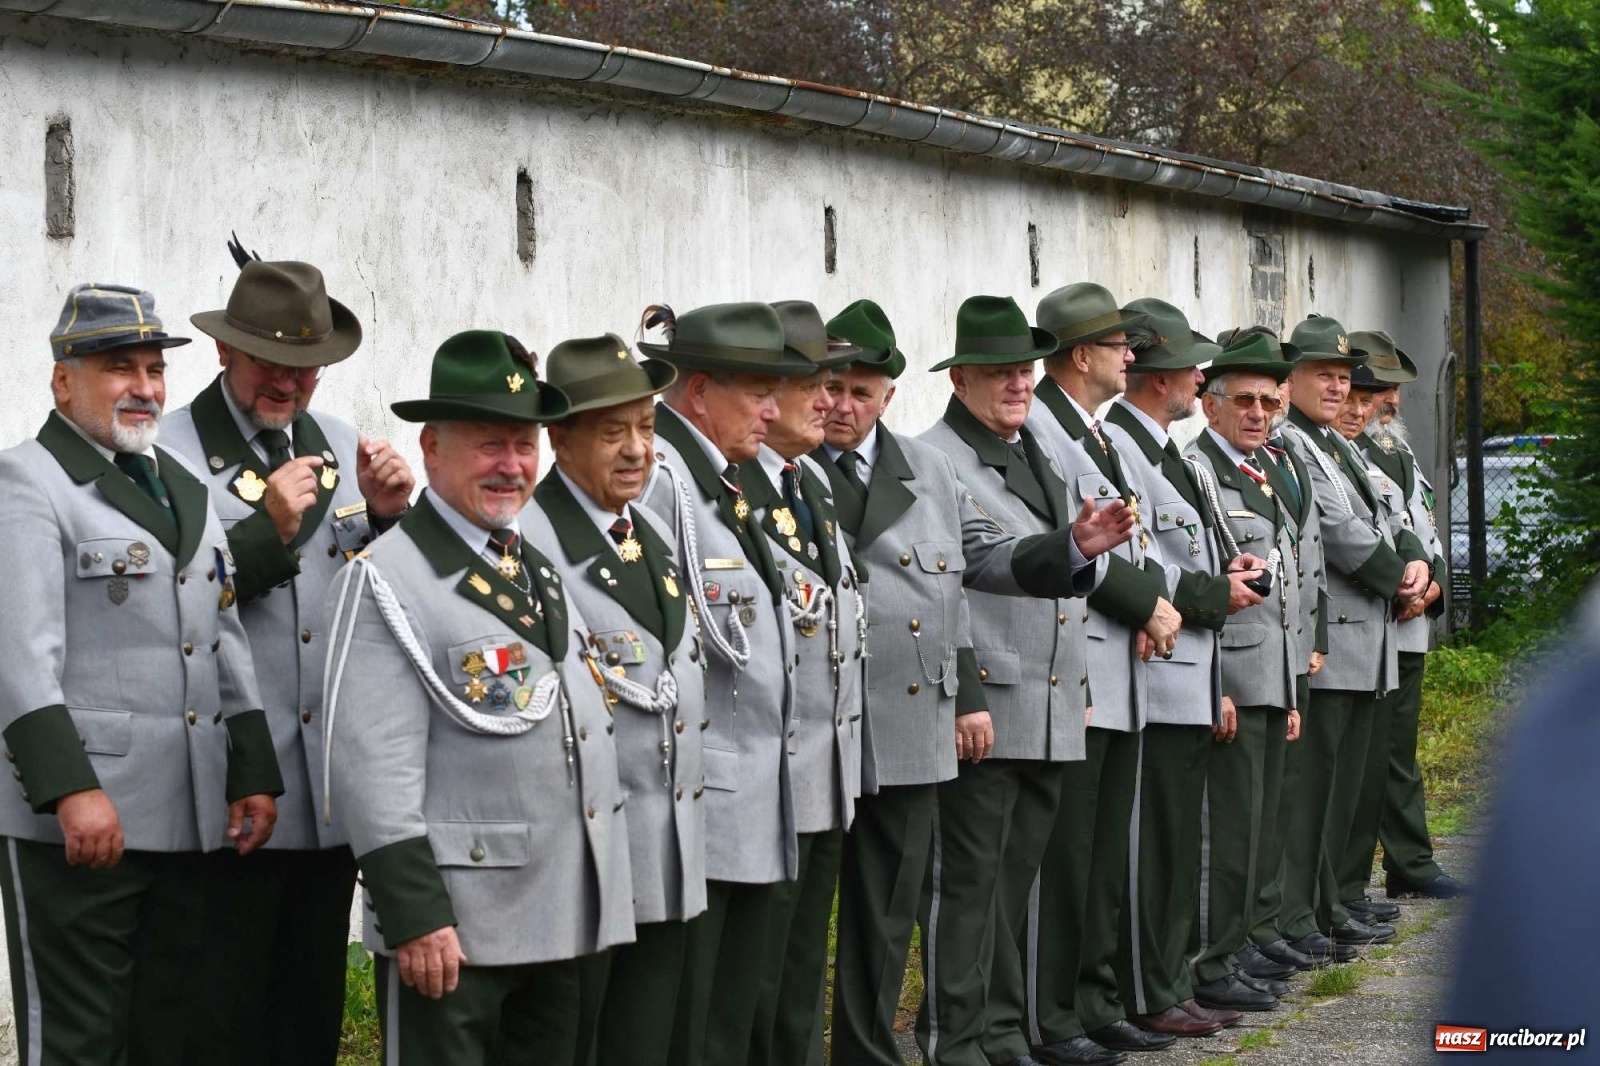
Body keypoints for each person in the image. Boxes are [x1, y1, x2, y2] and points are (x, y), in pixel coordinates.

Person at [815, 298, 1133, 1066]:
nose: (844, 404)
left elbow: (977, 564)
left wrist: (1073, 547)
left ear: (890, 393)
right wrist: (974, 692)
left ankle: (925, 1045)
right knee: (819, 919)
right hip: (817, 721)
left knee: (897, 907)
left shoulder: (922, 469)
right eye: (835, 387)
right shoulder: (790, 471)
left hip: (903, 717)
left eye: (865, 390)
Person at [324, 330, 634, 1064]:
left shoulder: (536, 571)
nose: (512, 465)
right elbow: (370, 767)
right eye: (490, 444)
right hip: (456, 931)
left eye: (524, 445)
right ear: (432, 448)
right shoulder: (387, 581)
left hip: (561, 914)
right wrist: (414, 914)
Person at [0, 283, 282, 1065]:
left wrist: (249, 770)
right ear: (64, 381)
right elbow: (19, 655)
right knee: (80, 1042)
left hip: (185, 816)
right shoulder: (27, 482)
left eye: (154, 371)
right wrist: (70, 789)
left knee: (171, 1035)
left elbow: (222, 632)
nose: (144, 388)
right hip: (78, 827)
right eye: (119, 368)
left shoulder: (182, 485)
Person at [162, 255, 415, 1066]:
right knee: (217, 1018)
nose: (289, 382)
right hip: (227, 790)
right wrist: (259, 537)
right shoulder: (166, 458)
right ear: (224, 353)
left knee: (306, 1016)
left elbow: (383, 607)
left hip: (321, 793)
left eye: (306, 366)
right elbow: (170, 615)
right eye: (270, 360)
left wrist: (386, 522)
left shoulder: (343, 447)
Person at [915, 295, 1118, 1066]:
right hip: (992, 700)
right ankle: (953, 1039)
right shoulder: (936, 456)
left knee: (1015, 883)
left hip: (1053, 696)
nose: (1018, 384)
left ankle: (1001, 1031)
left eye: (1025, 371)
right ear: (959, 377)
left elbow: (1078, 547)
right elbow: (974, 568)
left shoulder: (1042, 445)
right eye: (999, 372)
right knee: (968, 887)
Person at [635, 302, 813, 1066]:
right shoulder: (662, 481)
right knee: (697, 1020)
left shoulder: (722, 480)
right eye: (758, 392)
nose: (775, 412)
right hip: (705, 797)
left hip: (750, 793)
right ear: (699, 392)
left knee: (735, 1011)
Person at [1024, 283, 1197, 1066]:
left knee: (1100, 857)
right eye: (1117, 346)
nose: (1132, 357)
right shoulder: (1042, 429)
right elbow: (1060, 546)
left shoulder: (1097, 434)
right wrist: (1151, 603)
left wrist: (1158, 596)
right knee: (1066, 857)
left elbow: (1141, 536)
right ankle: (1052, 1013)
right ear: (1081, 355)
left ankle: (1093, 1000)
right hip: (1078, 662)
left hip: (1119, 665)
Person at [524, 333, 705, 1066]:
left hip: (663, 839)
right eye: (612, 432)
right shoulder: (533, 540)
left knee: (647, 1032)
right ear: (560, 439)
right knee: (585, 1036)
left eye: (647, 427)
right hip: (589, 849)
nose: (637, 449)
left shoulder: (652, 531)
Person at [1101, 299, 1275, 1020]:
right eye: (1189, 364)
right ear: (1152, 371)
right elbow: (1137, 562)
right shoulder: (1118, 446)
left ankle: (1170, 982)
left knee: (1176, 847)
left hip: (1191, 672)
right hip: (1156, 672)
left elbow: (1183, 547)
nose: (1201, 375)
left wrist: (1225, 568)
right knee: (1154, 847)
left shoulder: (1166, 451)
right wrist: (1214, 592)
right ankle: (1151, 989)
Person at [1275, 315, 1429, 959]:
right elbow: (1340, 530)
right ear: (1294, 378)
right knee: (1316, 792)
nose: (1338, 389)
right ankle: (1307, 912)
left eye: (1344, 377)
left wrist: (1418, 564)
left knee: (1347, 788)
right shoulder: (1294, 440)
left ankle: (1334, 900)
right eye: (1324, 375)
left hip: (1368, 637)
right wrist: (1402, 580)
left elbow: (1387, 511)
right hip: (1333, 639)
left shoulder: (1335, 443)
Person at [746, 301, 867, 1066]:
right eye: (813, 384)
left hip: (825, 766)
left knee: (798, 966)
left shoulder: (810, 483)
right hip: (768, 770)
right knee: (757, 973)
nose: (829, 400)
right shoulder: (729, 494)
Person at [1182, 334, 1305, 1014]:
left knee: (1256, 827)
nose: (1259, 413)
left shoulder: (1266, 470)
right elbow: (1211, 582)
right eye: (1245, 401)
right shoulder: (1202, 470)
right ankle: (1212, 959)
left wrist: (1288, 687)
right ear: (1212, 406)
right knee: (1222, 833)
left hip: (1271, 675)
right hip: (1232, 673)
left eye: (1268, 402)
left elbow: (1283, 582)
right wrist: (1218, 684)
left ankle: (1238, 947)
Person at [1346, 330, 1464, 902]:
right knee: (1379, 760)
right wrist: (1404, 584)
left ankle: (1408, 861)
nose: (1389, 401)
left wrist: (1434, 581)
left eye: (1391, 390)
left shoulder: (1400, 450)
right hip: (1379, 619)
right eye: (1378, 388)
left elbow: (1425, 525)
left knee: (1401, 753)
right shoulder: (1350, 450)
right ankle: (1401, 864)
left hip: (1410, 620)